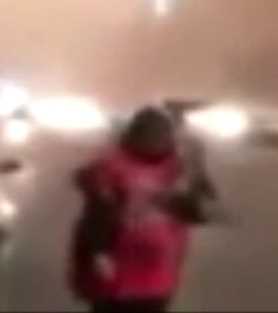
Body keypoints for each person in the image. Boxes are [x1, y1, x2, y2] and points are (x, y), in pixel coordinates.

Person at [68, 106, 215, 313]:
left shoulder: (177, 167)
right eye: (152, 135)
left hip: (157, 275)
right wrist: (98, 253)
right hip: (117, 273)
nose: (157, 140)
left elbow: (204, 210)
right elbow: (98, 213)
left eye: (163, 135)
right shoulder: (113, 165)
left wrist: (198, 171)